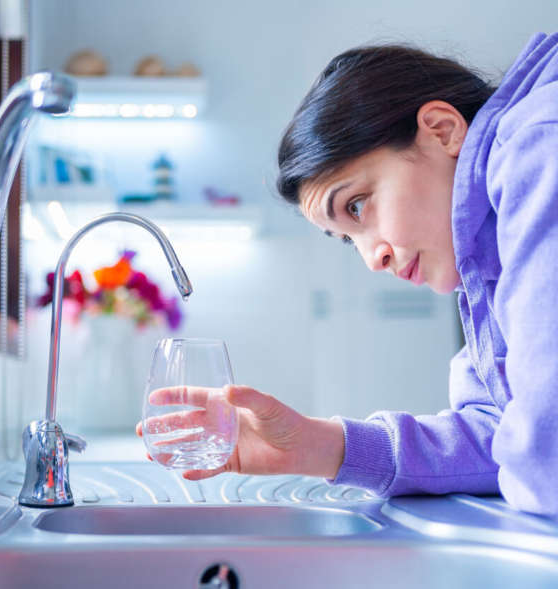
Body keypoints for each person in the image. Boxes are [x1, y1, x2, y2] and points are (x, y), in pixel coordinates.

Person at [136, 32, 558, 516]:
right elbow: (498, 432)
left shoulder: (540, 147)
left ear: (442, 130)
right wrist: (310, 446)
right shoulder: (488, 254)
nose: (371, 259)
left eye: (357, 205)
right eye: (346, 238)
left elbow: (547, 454)